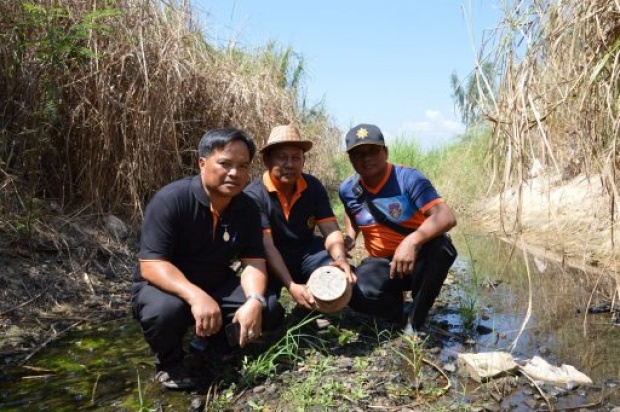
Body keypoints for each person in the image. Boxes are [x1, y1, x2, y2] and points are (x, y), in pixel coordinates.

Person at [131, 127, 285, 390]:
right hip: (165, 285)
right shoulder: (172, 200)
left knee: (269, 309)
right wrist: (195, 295)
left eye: (243, 166)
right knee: (165, 312)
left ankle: (213, 345)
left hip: (216, 282)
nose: (234, 173)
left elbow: (253, 262)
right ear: (202, 163)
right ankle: (169, 362)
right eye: (225, 163)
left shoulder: (247, 208)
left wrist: (254, 300)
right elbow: (152, 265)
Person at [339, 123, 458, 334]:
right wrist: (350, 235)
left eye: (373, 151)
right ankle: (398, 312)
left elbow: (446, 216)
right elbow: (352, 212)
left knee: (442, 248)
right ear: (351, 159)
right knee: (353, 291)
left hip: (417, 258)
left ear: (385, 152)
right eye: (359, 154)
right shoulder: (348, 189)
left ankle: (415, 321)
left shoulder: (409, 178)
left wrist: (412, 241)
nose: (366, 158)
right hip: (382, 264)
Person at [244, 124, 355, 312]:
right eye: (282, 157)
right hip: (269, 258)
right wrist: (291, 286)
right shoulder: (254, 196)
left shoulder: (313, 186)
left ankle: (308, 311)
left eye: (296, 158)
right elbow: (267, 246)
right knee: (267, 309)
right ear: (266, 161)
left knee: (339, 276)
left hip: (306, 253)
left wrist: (341, 257)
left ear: (303, 161)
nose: (290, 164)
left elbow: (330, 230)